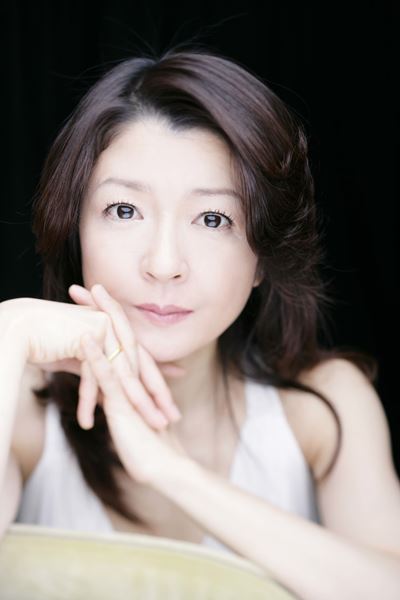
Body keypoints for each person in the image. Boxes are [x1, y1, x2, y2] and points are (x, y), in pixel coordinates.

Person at [1, 46, 399, 598]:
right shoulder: (22, 410)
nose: (164, 264)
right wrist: (8, 336)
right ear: (76, 231)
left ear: (262, 258)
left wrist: (173, 472)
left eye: (213, 218)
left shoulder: (319, 406)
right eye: (124, 210)